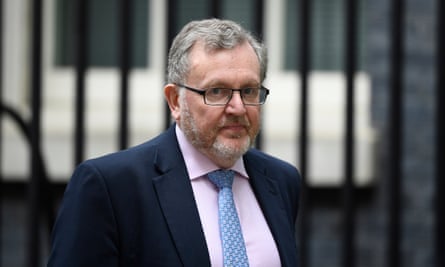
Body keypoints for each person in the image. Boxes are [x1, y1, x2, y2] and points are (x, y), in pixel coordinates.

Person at [47, 18, 300, 267]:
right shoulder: (111, 187)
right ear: (175, 101)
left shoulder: (280, 180)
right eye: (216, 91)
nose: (238, 107)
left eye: (249, 91)